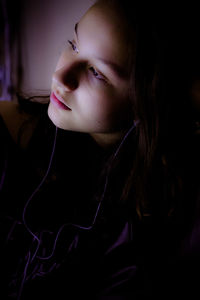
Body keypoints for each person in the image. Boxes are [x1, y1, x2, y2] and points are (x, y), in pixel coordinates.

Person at [0, 0, 199, 299]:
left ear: (147, 103)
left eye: (96, 73)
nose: (60, 76)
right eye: (73, 44)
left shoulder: (156, 219)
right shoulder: (21, 133)